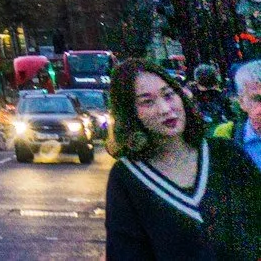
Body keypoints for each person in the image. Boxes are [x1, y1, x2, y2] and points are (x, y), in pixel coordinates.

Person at [106, 57, 261, 260]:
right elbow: (124, 253)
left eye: (168, 95)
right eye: (147, 102)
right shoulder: (127, 177)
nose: (165, 109)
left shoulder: (225, 153)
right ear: (130, 113)